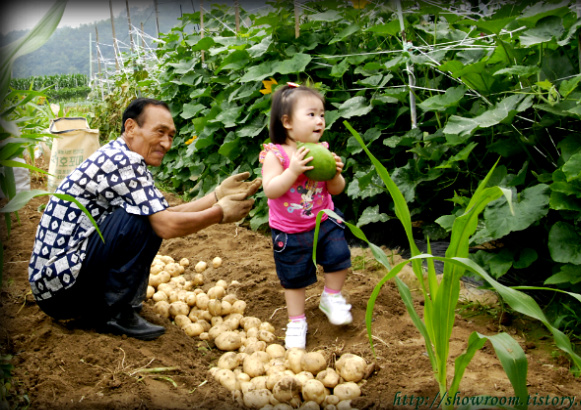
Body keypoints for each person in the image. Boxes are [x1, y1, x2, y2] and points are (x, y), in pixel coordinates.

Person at [28, 98, 261, 340]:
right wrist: (220, 213)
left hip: (56, 285)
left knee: (145, 216)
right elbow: (165, 224)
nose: (167, 143)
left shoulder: (121, 156)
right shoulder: (123, 162)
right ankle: (114, 313)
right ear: (130, 128)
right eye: (160, 132)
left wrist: (216, 196)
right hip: (60, 290)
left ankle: (116, 306)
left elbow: (164, 214)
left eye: (171, 135)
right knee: (142, 220)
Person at [259, 83, 352, 350]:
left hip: (324, 220)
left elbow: (336, 189)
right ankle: (297, 321)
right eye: (310, 114)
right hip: (289, 231)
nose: (319, 120)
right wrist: (293, 171)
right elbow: (271, 189)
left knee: (339, 257)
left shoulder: (321, 150)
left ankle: (331, 296)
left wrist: (335, 173)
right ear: (286, 122)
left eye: (321, 114)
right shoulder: (276, 155)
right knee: (295, 278)